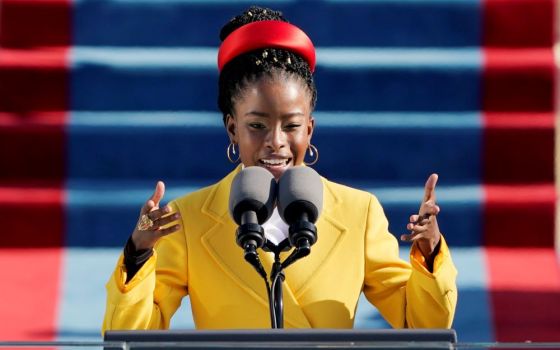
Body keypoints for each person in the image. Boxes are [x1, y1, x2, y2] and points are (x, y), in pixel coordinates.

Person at [102, 6, 457, 331]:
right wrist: (138, 253)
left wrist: (430, 252)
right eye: (257, 126)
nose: (276, 141)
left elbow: (422, 324)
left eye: (290, 125)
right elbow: (130, 338)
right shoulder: (189, 218)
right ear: (232, 129)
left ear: (309, 130)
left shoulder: (358, 213)